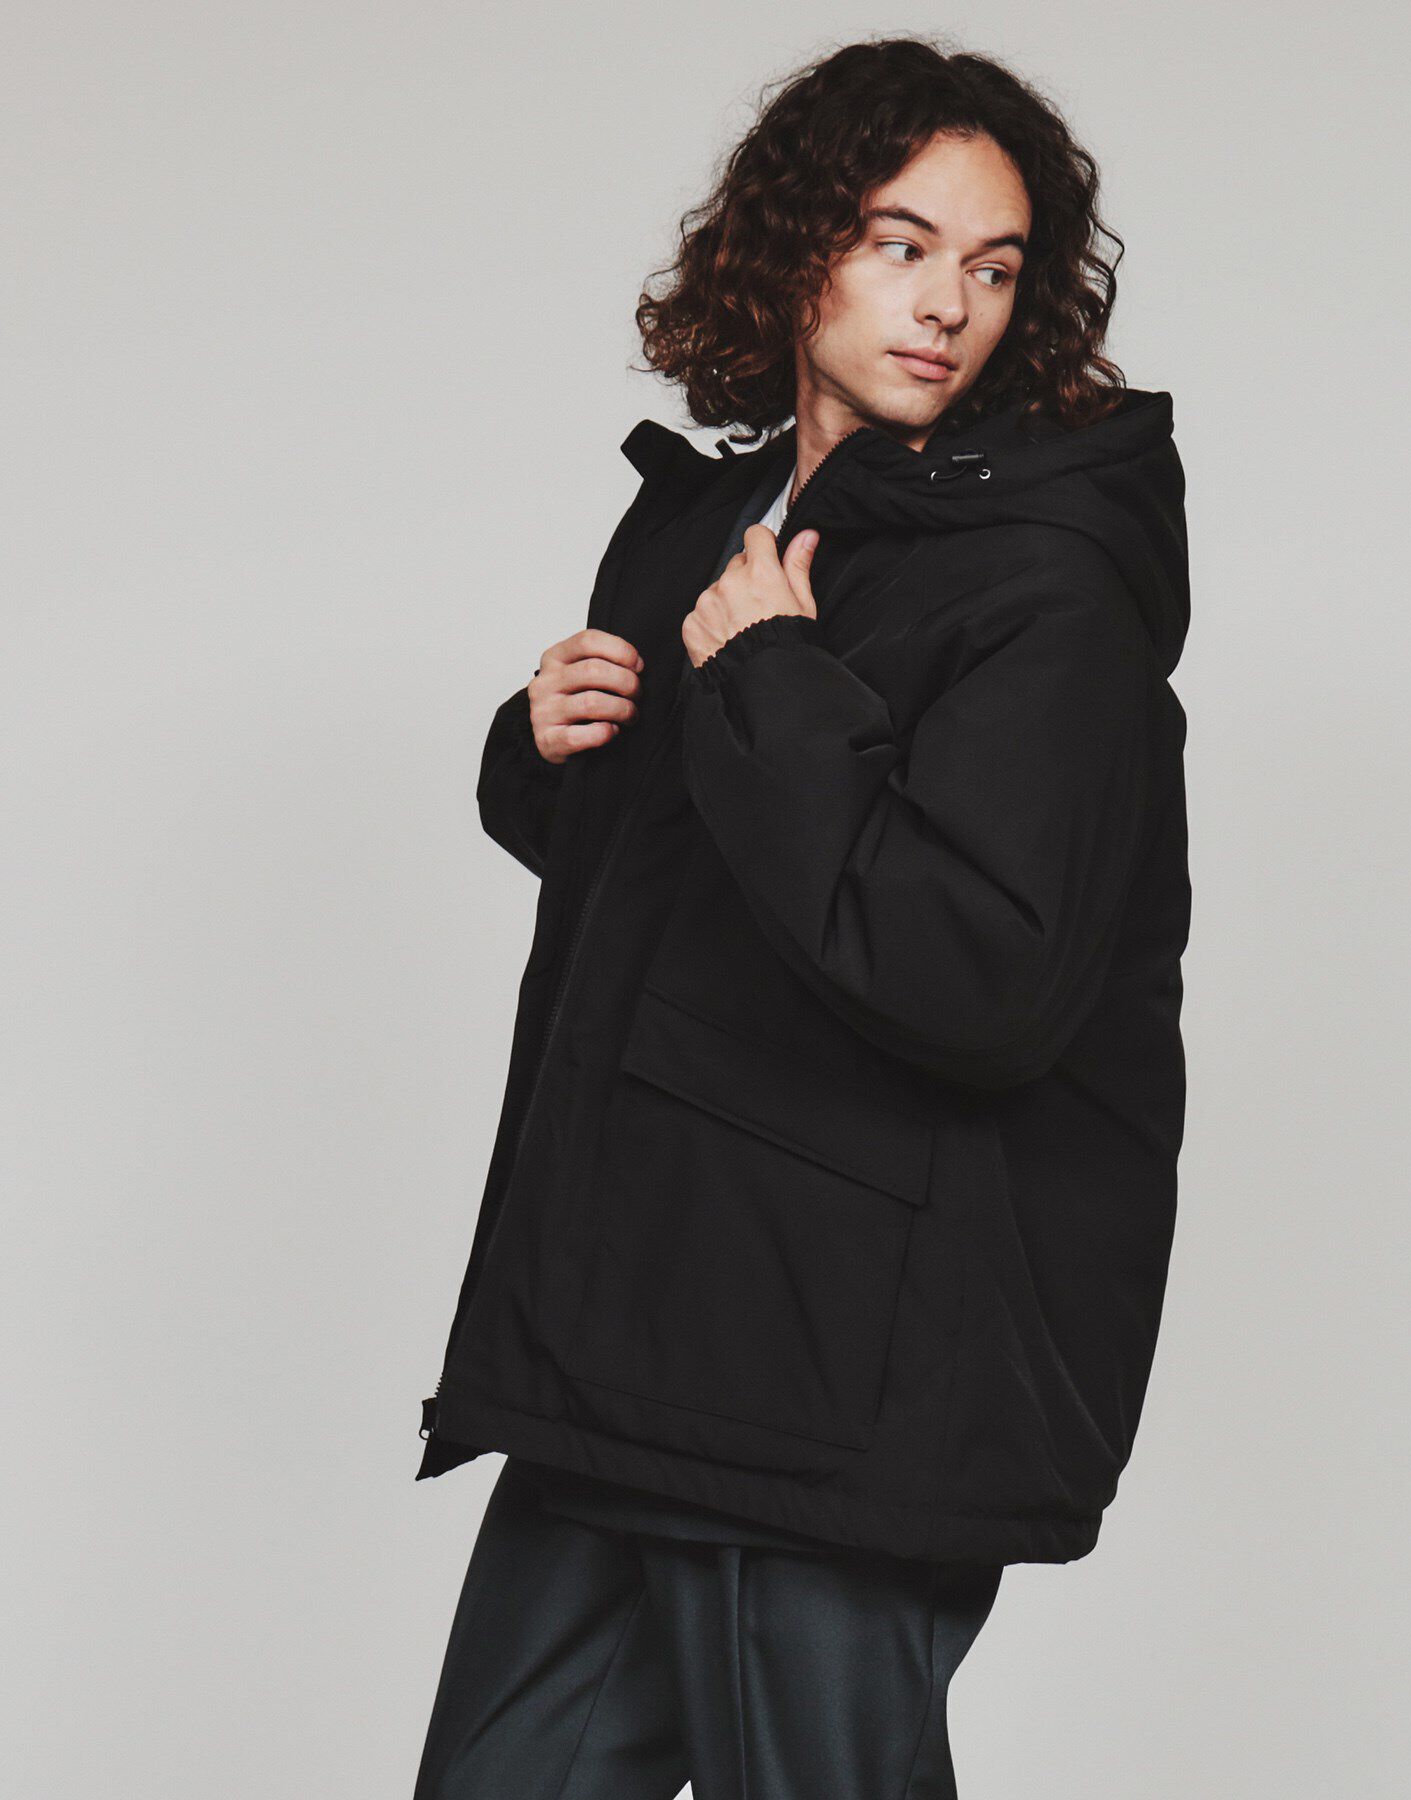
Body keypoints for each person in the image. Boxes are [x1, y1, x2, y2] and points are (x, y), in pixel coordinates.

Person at [411, 34, 1191, 1798]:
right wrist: (548, 755)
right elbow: (701, 895)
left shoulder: (1043, 587)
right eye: (902, 244)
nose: (950, 305)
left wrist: (773, 684)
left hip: (840, 1365)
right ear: (795, 249)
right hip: (630, 1329)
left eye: (995, 266)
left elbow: (981, 972)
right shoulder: (708, 521)